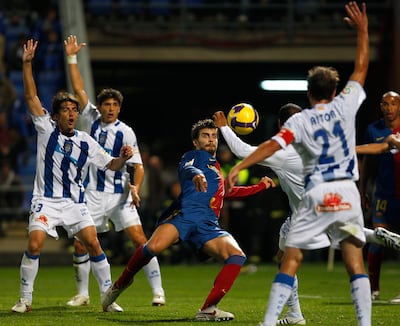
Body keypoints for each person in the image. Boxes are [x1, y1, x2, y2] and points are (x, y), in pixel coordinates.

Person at [227, 2, 371, 325]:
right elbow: (360, 68)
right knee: (354, 264)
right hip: (347, 192)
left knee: (290, 260)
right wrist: (362, 31)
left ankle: (270, 321)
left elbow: (269, 145)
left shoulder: (299, 121)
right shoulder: (347, 105)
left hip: (317, 196)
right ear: (335, 91)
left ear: (308, 94)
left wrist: (239, 166)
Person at [214, 104, 400, 325]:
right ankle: (373, 235)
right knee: (344, 241)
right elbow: (355, 149)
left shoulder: (281, 151)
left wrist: (224, 127)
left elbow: (242, 150)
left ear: (280, 125)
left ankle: (293, 315)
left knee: (284, 260)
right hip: (329, 205)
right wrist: (386, 145)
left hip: (303, 214)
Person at [101, 118, 276, 321]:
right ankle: (118, 286)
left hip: (208, 225)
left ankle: (208, 309)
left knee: (237, 256)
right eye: (205, 136)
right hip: (185, 216)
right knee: (151, 249)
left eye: (214, 136)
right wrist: (196, 175)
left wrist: (260, 187)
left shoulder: (216, 166)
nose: (211, 140)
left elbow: (226, 193)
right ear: (196, 141)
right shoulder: (193, 156)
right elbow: (187, 169)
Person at [11, 39, 133, 313]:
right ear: (54, 116)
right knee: (35, 242)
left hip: (75, 202)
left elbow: (111, 165)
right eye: (65, 110)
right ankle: (25, 299)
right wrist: (27, 63)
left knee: (93, 243)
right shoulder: (45, 129)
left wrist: (123, 158)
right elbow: (31, 97)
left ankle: (107, 298)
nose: (71, 113)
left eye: (74, 109)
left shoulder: (86, 141)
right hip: (46, 200)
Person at [64, 35, 165, 307]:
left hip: (120, 195)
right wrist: (72, 57)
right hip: (94, 193)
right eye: (106, 104)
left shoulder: (126, 132)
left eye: (114, 105)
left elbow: (138, 166)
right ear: (101, 106)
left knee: (141, 240)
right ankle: (83, 294)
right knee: (81, 243)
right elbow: (79, 87)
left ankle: (158, 291)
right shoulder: (91, 118)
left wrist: (134, 186)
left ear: (119, 108)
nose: (110, 108)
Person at [358, 90, 400, 302]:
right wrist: (363, 190)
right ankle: (373, 290)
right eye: (385, 104)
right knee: (378, 238)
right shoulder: (373, 130)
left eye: (393, 104)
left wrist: (393, 141)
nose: (389, 108)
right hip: (383, 195)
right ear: (381, 107)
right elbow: (369, 161)